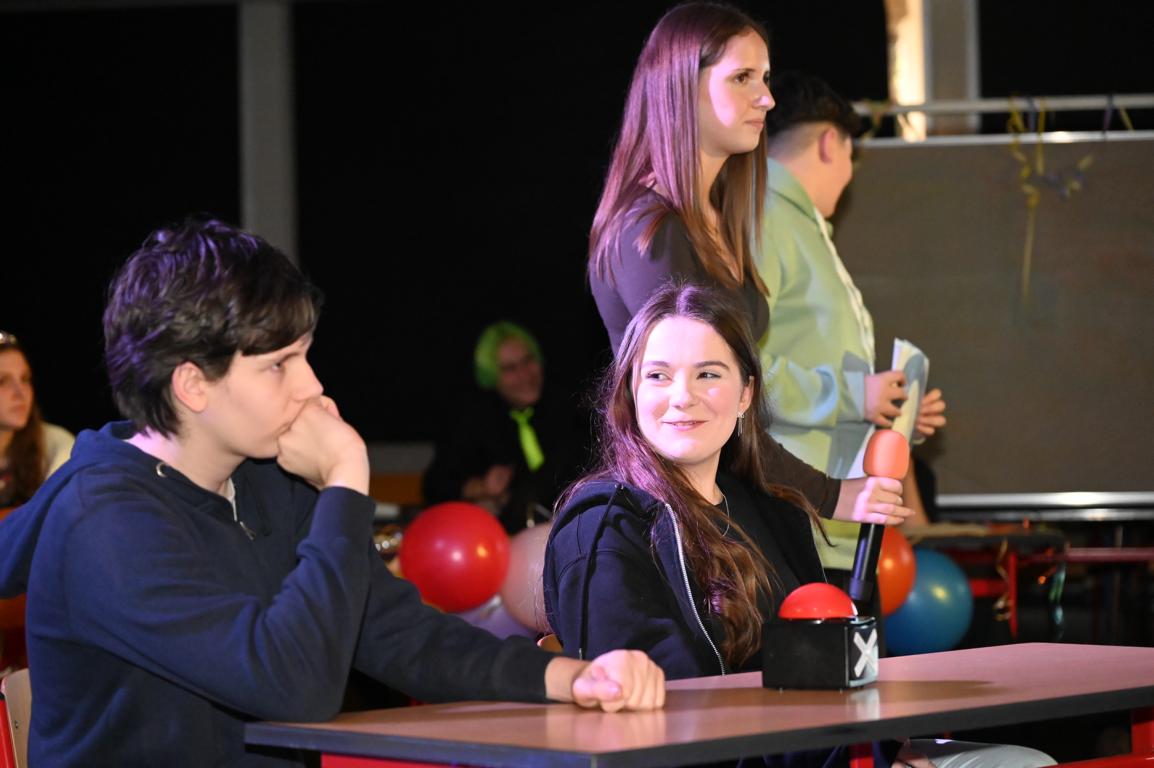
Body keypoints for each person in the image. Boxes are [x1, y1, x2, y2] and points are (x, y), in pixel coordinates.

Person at [0, 217, 664, 767]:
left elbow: (392, 630)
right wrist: (346, 477)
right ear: (193, 385)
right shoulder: (105, 520)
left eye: (305, 355)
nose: (312, 386)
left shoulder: (264, 475)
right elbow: (291, 687)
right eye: (279, 366)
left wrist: (567, 678)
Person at [543, 282, 1053, 768]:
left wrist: (879, 741)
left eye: (708, 374)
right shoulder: (602, 529)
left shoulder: (771, 512)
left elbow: (821, 679)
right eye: (658, 375)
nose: (682, 396)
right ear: (631, 391)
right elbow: (664, 722)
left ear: (746, 394)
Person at [585, 1, 905, 531]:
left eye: (765, 77)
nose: (767, 98)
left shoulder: (718, 220)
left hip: (728, 505)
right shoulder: (651, 230)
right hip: (682, 521)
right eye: (742, 78)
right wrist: (830, 493)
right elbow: (705, 405)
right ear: (681, 88)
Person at [757, 72, 946, 570]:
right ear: (830, 143)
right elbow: (738, 371)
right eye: (851, 158)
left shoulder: (802, 228)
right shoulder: (764, 219)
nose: (849, 176)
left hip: (831, 523)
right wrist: (855, 396)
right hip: (794, 525)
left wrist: (889, 410)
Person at [422, 321, 586, 532]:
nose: (524, 375)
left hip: (572, 527)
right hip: (509, 538)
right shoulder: (477, 419)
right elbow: (434, 484)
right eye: (510, 369)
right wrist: (481, 488)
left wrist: (517, 498)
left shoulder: (569, 406)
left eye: (528, 361)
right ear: (492, 376)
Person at [0, 331, 74, 510]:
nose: (20, 393)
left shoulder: (55, 444)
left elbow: (59, 516)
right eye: (2, 381)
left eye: (25, 379)